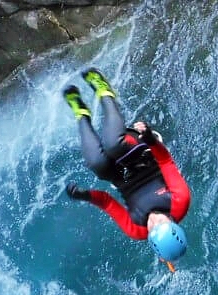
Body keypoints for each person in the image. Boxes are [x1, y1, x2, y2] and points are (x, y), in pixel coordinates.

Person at [63, 68, 191, 262]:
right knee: (113, 144)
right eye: (161, 223)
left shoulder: (136, 230)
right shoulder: (180, 200)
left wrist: (84, 195)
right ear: (173, 223)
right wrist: (150, 139)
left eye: (152, 229)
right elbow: (165, 160)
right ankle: (104, 91)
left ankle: (80, 112)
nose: (153, 221)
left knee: (97, 164)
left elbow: (106, 202)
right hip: (144, 154)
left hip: (121, 177)